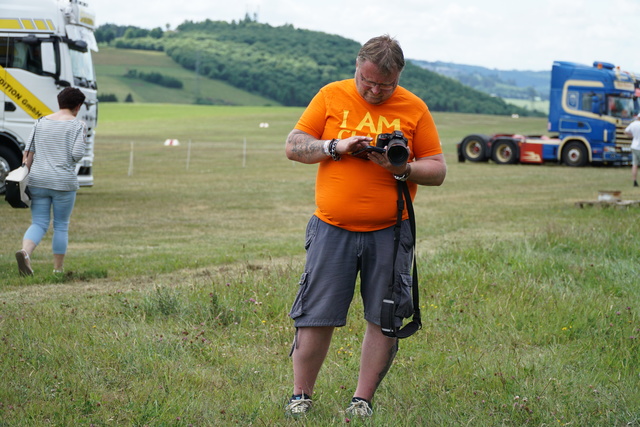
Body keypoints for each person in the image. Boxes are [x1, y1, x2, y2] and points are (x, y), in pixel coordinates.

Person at [284, 34, 446, 418]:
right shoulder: (330, 95)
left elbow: (437, 169)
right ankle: (300, 396)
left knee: (384, 315)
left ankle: (362, 401)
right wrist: (336, 147)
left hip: (391, 230)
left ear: (399, 77)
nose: (374, 91)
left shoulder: (415, 108)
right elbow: (293, 145)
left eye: (384, 85)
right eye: (367, 81)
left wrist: (402, 168)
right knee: (315, 313)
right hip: (331, 227)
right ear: (356, 67)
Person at [15, 87, 87, 276]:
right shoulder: (78, 125)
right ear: (77, 106)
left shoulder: (40, 122)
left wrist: (25, 175)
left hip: (38, 180)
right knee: (61, 225)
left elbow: (28, 152)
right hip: (63, 183)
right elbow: (77, 155)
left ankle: (25, 253)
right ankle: (57, 270)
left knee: (38, 222)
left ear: (59, 102)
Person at [624, 113, 640, 187]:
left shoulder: (633, 124)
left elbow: (626, 131)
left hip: (634, 146)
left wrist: (632, 136)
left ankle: (634, 181)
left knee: (634, 165)